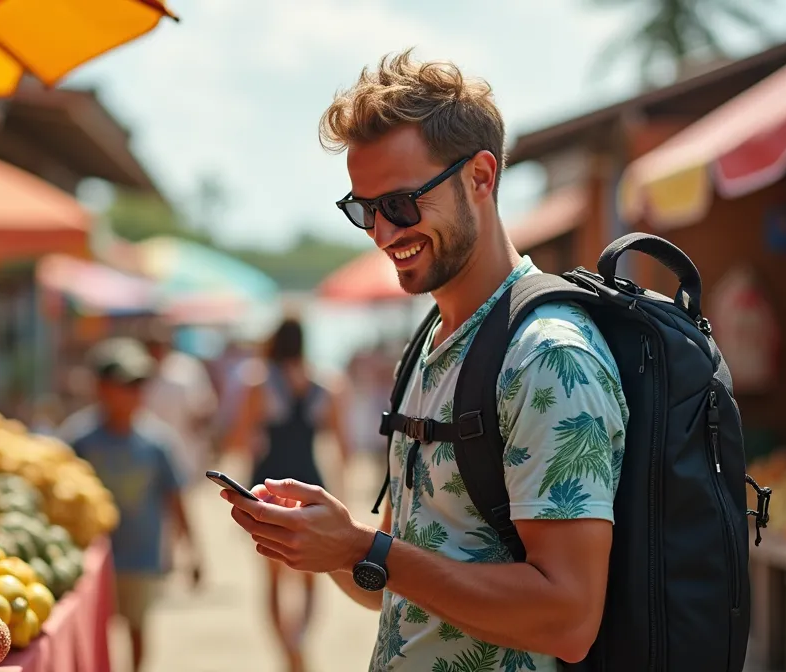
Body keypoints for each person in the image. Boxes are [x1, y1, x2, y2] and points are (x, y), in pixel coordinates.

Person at [219, 50, 627, 671]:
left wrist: (365, 545)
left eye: (402, 203)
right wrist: (329, 545)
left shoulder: (548, 357)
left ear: (481, 178)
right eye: (363, 211)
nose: (383, 234)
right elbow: (401, 584)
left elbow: (568, 619)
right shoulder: (433, 343)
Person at [55, 338, 202, 672]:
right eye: (125, 386)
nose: (134, 394)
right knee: (97, 632)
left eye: (139, 386)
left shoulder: (156, 441)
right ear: (101, 388)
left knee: (137, 628)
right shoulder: (80, 438)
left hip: (141, 558)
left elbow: (175, 497)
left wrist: (192, 551)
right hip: (92, 559)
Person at [226, 317, 353, 672]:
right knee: (314, 573)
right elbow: (344, 447)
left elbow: (238, 439)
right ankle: (300, 642)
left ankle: (288, 654)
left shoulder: (259, 382)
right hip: (310, 485)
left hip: (267, 487)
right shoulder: (326, 384)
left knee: (271, 576)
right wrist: (341, 497)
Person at [141, 322, 219, 479]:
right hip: (145, 458)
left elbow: (206, 408)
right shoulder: (137, 372)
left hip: (184, 454)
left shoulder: (187, 370)